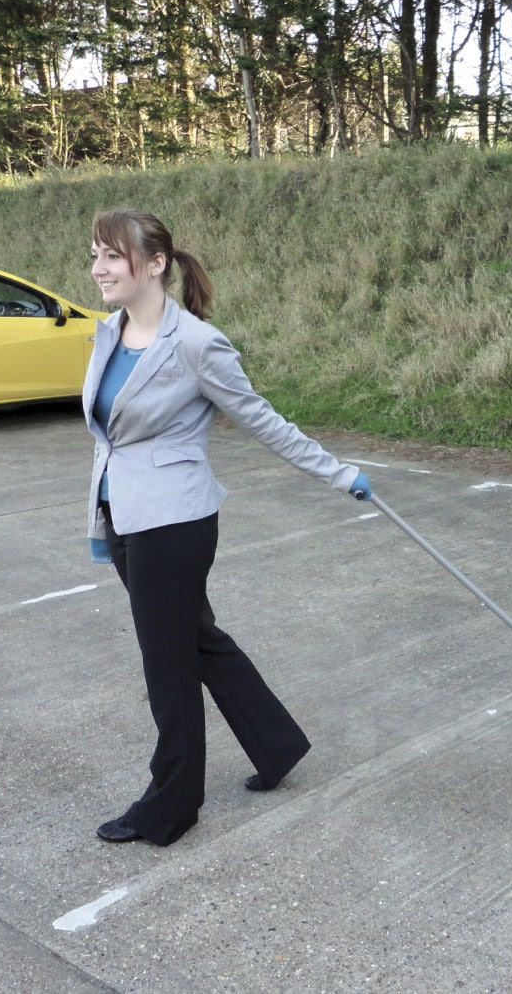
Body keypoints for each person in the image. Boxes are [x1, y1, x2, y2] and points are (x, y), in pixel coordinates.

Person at [82, 208, 371, 846]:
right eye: (95, 256)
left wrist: (338, 473)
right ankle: (277, 744)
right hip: (124, 514)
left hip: (175, 524)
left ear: (154, 264)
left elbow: (260, 418)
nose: (98, 269)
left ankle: (171, 805)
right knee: (196, 639)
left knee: (169, 667)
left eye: (111, 256)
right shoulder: (108, 333)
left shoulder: (194, 344)